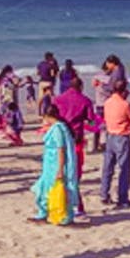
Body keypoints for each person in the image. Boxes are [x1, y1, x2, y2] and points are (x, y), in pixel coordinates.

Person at [29, 105, 79, 225]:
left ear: (47, 116)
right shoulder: (60, 127)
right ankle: (54, 214)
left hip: (54, 165)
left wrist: (60, 169)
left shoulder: (57, 129)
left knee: (49, 189)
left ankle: (46, 214)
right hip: (51, 163)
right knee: (52, 188)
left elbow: (60, 149)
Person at [53, 78, 95, 219]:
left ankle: (63, 204)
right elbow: (91, 120)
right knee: (74, 174)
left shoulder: (58, 100)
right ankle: (77, 206)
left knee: (60, 171)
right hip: (75, 139)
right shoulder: (85, 101)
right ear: (81, 87)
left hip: (60, 137)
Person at [100, 80, 130, 208]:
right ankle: (122, 198)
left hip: (110, 135)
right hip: (122, 137)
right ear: (124, 91)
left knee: (108, 167)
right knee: (123, 168)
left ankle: (104, 194)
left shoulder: (107, 102)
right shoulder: (125, 104)